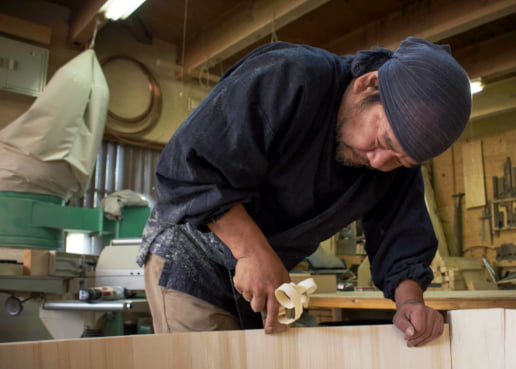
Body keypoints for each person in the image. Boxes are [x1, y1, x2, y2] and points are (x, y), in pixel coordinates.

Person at [137, 37, 471, 347]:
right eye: (383, 141)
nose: (379, 161)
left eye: (400, 160)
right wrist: (251, 252)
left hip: (264, 279)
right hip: (193, 254)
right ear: (368, 84)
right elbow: (192, 167)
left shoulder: (394, 161)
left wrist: (410, 303)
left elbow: (401, 235)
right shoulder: (290, 75)